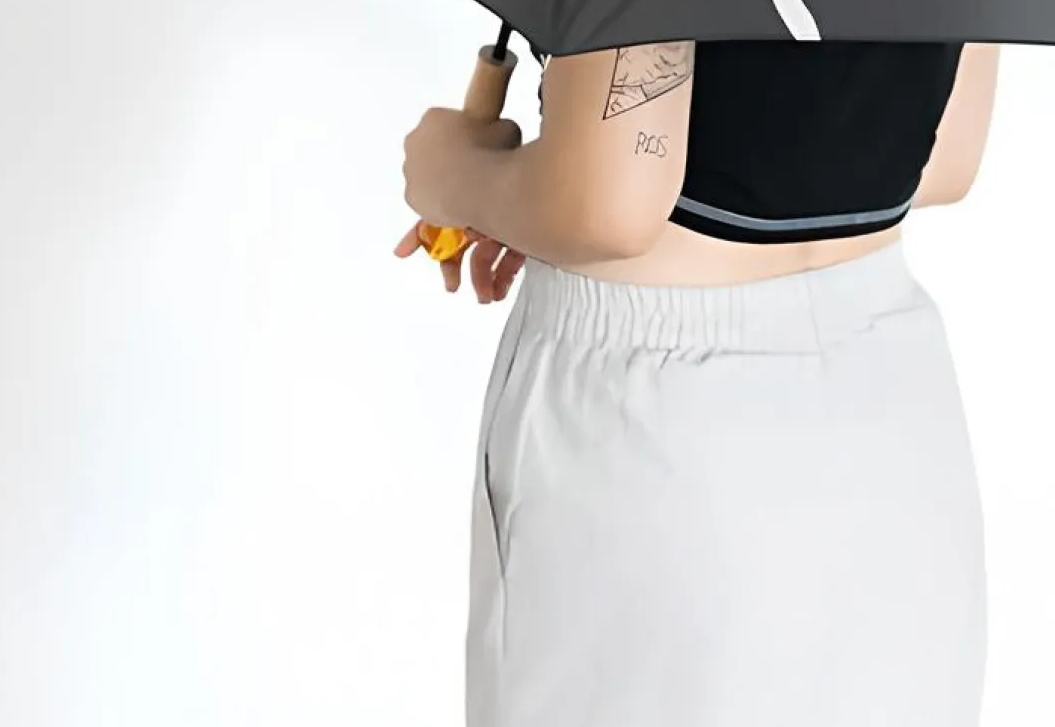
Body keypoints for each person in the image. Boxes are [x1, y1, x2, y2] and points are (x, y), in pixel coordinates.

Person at [396, 38, 1000, 727]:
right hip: (894, 413)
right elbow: (945, 159)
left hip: (660, 431)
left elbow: (604, 206)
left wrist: (453, 171)